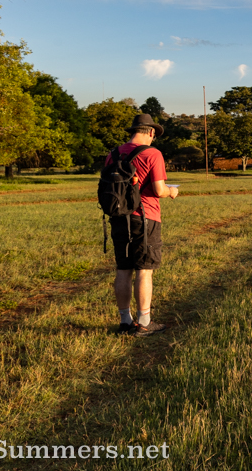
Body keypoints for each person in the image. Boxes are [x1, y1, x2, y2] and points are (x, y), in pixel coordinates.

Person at [105, 113, 179, 337]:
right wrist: (172, 191)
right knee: (144, 271)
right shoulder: (152, 153)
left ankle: (125, 321)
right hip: (145, 217)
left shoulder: (113, 154)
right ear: (151, 132)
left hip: (118, 217)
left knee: (123, 270)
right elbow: (158, 190)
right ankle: (144, 322)